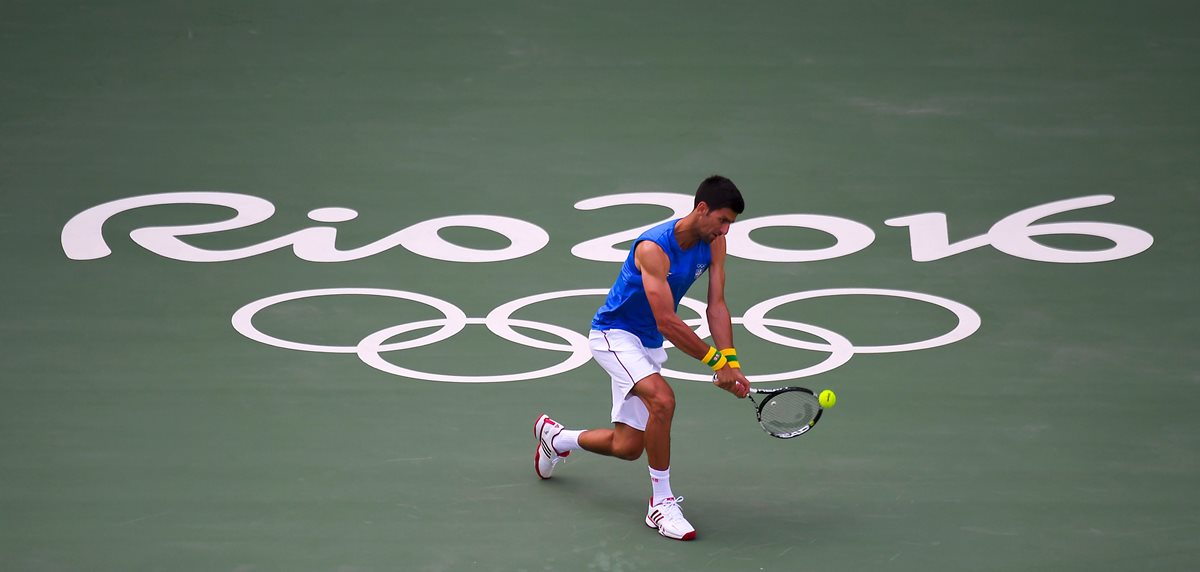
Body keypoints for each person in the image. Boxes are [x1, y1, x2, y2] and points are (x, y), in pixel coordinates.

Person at [534, 175, 751, 541]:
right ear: (702, 209)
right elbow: (667, 321)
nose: (726, 230)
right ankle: (660, 503)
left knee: (628, 447)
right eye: (723, 220)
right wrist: (717, 364)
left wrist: (732, 362)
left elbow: (716, 305)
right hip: (614, 335)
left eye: (730, 223)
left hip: (646, 343)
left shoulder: (715, 244)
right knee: (663, 401)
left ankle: (555, 439)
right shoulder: (654, 248)